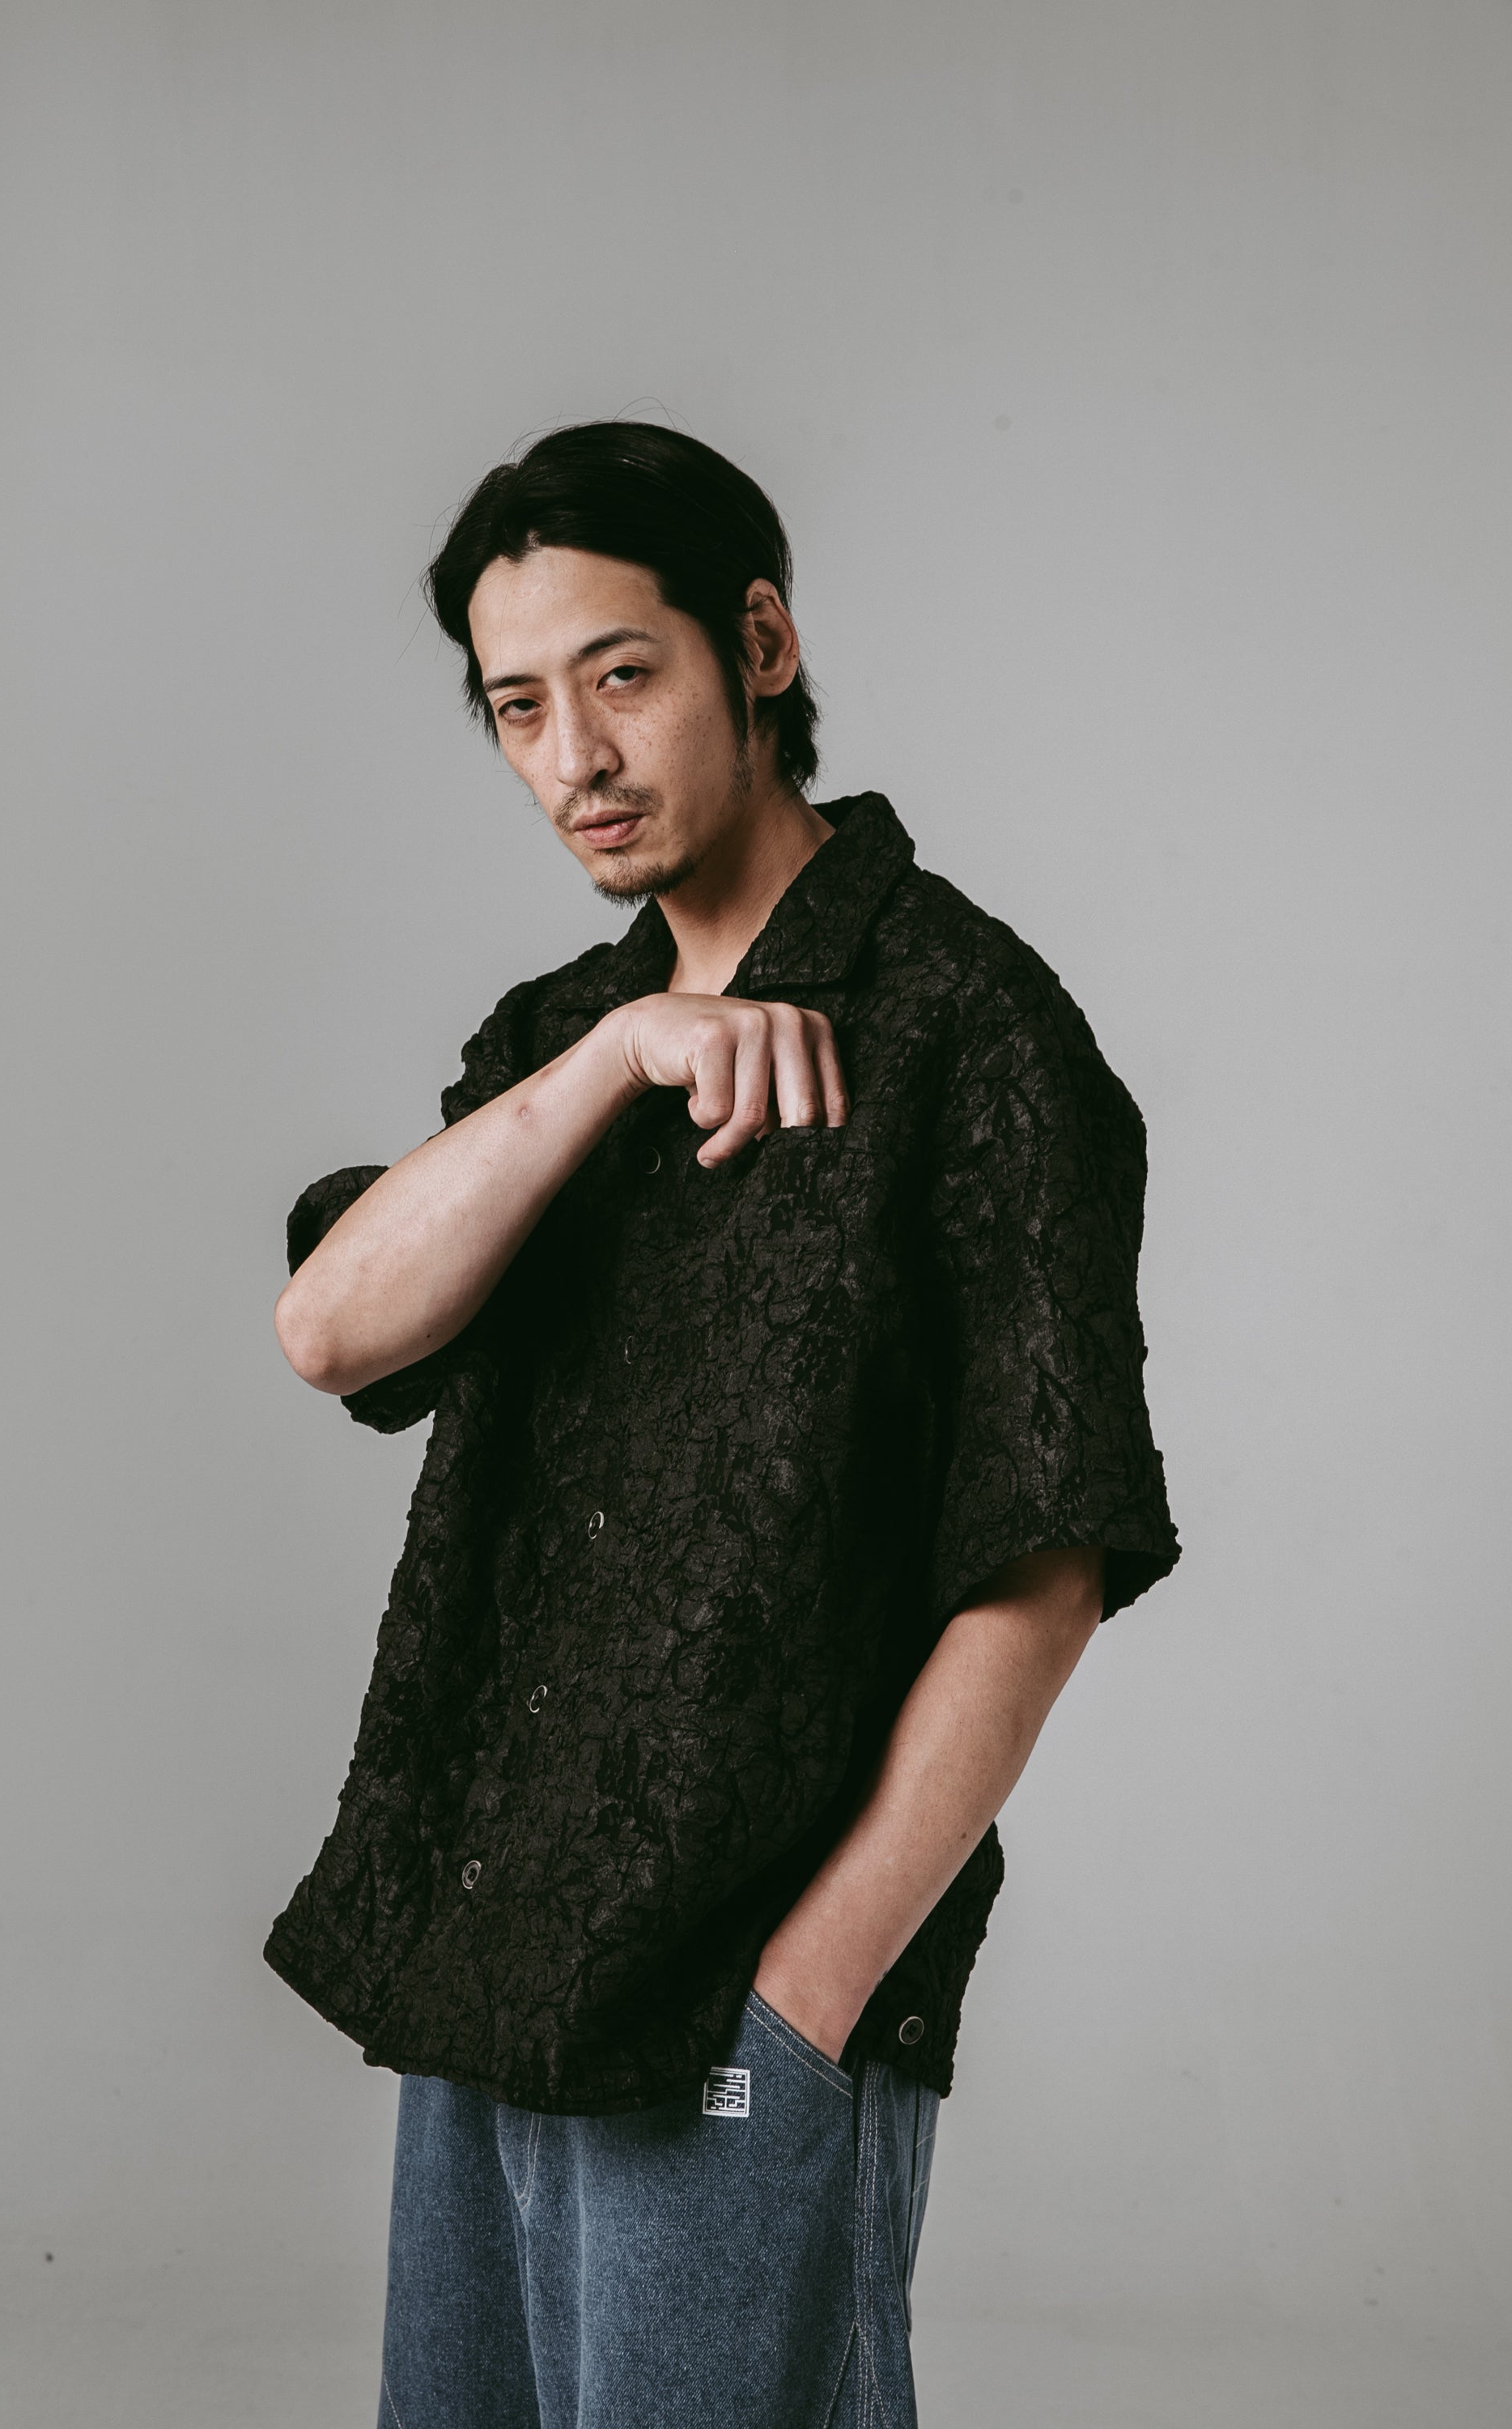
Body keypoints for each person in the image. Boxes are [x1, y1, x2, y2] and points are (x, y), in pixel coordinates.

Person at [268, 421, 1179, 2429]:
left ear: (757, 645)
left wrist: (809, 1995)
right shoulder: (555, 1043)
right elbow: (331, 1328)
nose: (574, 757)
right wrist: (617, 1053)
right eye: (520, 706)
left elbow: (1043, 1564)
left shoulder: (969, 1028)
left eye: (622, 673)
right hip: (492, 1951)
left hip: (740, 1988)